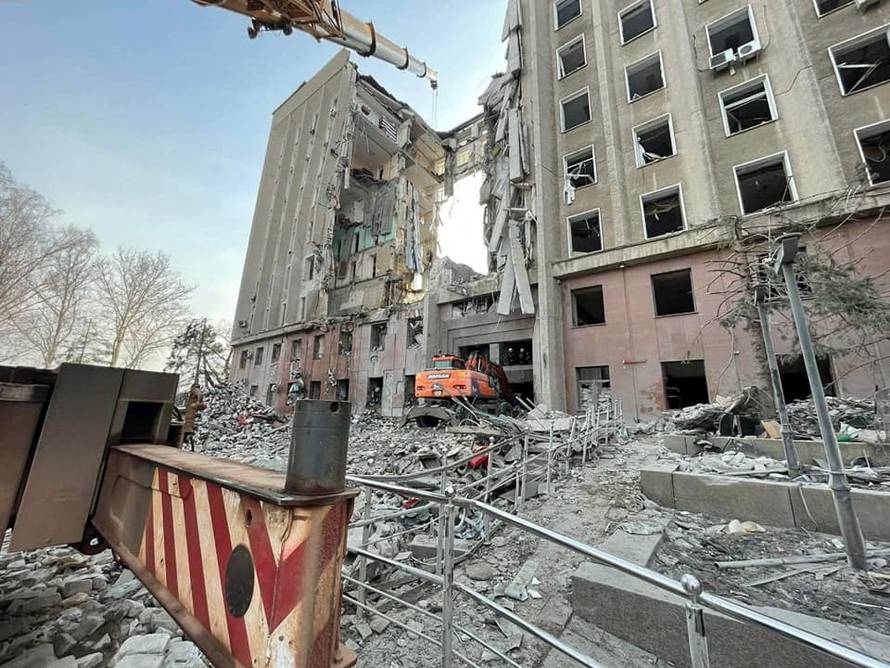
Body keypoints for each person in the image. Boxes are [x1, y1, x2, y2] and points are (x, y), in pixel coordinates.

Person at [182, 383, 206, 451]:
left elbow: (199, 394)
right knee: (189, 420)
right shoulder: (195, 392)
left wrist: (198, 402)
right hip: (191, 413)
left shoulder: (195, 390)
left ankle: (186, 435)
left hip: (191, 413)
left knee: (189, 420)